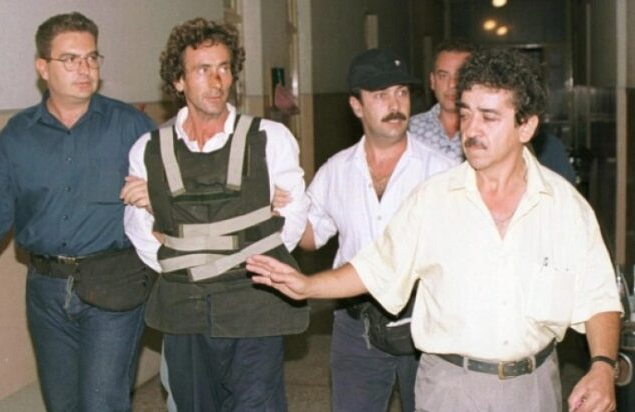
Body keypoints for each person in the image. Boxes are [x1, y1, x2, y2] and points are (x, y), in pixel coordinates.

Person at [247, 47, 622, 412]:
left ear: (526, 126)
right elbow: (377, 267)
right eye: (466, 113)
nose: (471, 129)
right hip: (449, 387)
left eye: (489, 117)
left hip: (532, 386)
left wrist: (603, 366)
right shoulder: (433, 199)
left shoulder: (564, 207)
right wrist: (308, 286)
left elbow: (600, 297)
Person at [0, 12, 156, 412]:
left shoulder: (131, 127)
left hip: (114, 283)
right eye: (71, 59)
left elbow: (175, 189)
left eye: (92, 58)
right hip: (47, 291)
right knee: (62, 404)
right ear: (42, 68)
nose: (85, 69)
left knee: (102, 403)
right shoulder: (19, 136)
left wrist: (157, 194)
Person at [124, 17, 309, 411]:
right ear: (178, 81)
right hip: (184, 304)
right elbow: (140, 230)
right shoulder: (148, 150)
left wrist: (201, 246)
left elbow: (292, 217)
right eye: (202, 70)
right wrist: (191, 261)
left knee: (257, 404)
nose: (216, 80)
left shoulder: (270, 139)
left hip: (254, 301)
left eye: (224, 68)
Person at [295, 48, 456, 412]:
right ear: (357, 105)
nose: (395, 104)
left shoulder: (443, 172)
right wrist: (282, 203)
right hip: (357, 325)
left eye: (402, 92)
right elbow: (310, 238)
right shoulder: (335, 171)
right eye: (381, 95)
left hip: (426, 322)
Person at [409, 38, 474, 162]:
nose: (452, 84)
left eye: (460, 76)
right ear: (432, 81)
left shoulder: (486, 131)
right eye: (443, 76)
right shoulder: (411, 130)